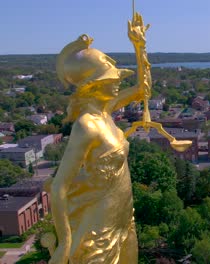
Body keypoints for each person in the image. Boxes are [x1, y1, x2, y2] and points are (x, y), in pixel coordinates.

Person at [46, 12, 150, 264]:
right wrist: (65, 241)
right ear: (91, 86)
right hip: (99, 229)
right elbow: (59, 186)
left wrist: (140, 46)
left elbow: (142, 89)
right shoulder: (86, 126)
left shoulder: (106, 110)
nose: (116, 83)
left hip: (124, 217)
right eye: (110, 79)